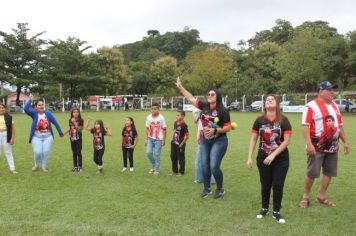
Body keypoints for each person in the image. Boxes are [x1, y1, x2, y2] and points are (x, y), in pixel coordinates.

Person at [176, 76, 231, 199]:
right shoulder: (204, 106)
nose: (209, 95)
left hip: (219, 140)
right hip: (205, 140)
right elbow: (190, 98)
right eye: (208, 94)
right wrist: (181, 87)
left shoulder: (223, 110)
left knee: (214, 166)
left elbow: (228, 128)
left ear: (217, 96)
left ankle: (220, 189)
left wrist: (215, 129)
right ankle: (207, 189)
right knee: (204, 165)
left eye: (212, 94)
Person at [299, 81, 350, 209]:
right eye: (330, 90)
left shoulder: (335, 106)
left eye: (333, 89)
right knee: (312, 172)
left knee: (329, 172)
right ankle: (305, 197)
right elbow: (305, 126)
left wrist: (346, 142)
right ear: (321, 91)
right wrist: (309, 144)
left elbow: (339, 126)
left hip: (333, 145)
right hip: (317, 145)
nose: (333, 92)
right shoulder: (311, 106)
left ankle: (321, 196)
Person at [247, 95, 292, 224]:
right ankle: (264, 208)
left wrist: (273, 155)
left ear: (277, 104)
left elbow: (286, 140)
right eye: (267, 100)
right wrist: (249, 156)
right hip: (263, 158)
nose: (269, 101)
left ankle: (276, 211)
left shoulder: (284, 120)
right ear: (264, 104)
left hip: (281, 159)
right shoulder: (259, 120)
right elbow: (254, 139)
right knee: (265, 184)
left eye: (272, 99)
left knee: (278, 185)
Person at [24, 93, 64, 172]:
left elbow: (55, 123)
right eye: (39, 105)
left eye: (42, 105)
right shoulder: (34, 113)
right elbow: (25, 109)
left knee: (46, 152)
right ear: (36, 107)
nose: (41, 106)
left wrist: (60, 132)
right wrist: (30, 100)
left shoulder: (48, 114)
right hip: (36, 137)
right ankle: (36, 165)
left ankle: (44, 166)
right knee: (37, 152)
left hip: (48, 137)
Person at [192, 107, 216, 184]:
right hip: (201, 143)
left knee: (205, 161)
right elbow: (195, 112)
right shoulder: (199, 120)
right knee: (200, 161)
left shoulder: (212, 121)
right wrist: (203, 107)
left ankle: (210, 180)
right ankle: (201, 178)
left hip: (210, 143)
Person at [145, 103, 167, 176]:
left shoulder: (161, 118)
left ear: (158, 109)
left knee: (157, 154)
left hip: (158, 138)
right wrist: (146, 139)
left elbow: (164, 129)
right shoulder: (148, 117)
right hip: (150, 138)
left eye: (155, 109)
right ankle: (154, 165)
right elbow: (147, 128)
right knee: (148, 153)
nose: (153, 110)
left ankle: (157, 170)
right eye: (152, 109)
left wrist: (163, 139)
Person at [63, 108, 84, 172]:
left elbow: (80, 130)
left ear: (79, 113)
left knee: (78, 152)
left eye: (77, 112)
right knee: (74, 152)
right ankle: (75, 166)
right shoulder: (70, 120)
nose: (75, 113)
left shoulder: (81, 120)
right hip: (72, 138)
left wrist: (75, 123)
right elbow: (70, 128)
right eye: (74, 112)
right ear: (72, 113)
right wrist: (64, 133)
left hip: (78, 138)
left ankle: (80, 166)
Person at [170, 110, 189, 176]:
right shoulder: (175, 122)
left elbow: (187, 136)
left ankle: (181, 172)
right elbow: (174, 130)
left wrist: (182, 143)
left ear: (183, 116)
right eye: (176, 115)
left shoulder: (184, 125)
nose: (176, 116)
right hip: (173, 143)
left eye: (178, 115)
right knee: (173, 157)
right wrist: (172, 138)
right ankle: (175, 171)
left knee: (181, 158)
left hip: (180, 144)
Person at [0, 103, 17, 174]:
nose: (1, 109)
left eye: (2, 107)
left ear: (5, 109)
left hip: (6, 135)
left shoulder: (9, 117)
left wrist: (12, 138)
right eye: (0, 108)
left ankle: (12, 169)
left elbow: (13, 128)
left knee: (8, 152)